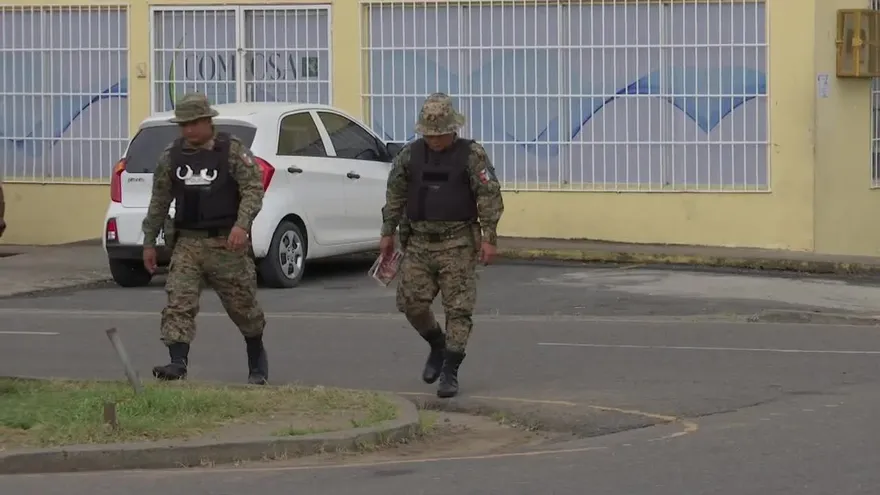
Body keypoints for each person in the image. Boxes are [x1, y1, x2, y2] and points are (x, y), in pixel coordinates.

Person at [379, 92, 505, 398]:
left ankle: (450, 370)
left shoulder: (472, 155)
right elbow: (395, 193)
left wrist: (489, 238)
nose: (434, 141)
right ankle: (437, 343)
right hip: (419, 242)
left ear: (453, 130)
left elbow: (488, 196)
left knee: (458, 310)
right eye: (429, 135)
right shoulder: (409, 156)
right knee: (411, 302)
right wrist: (387, 231)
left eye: (440, 135)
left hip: (458, 241)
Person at [141, 92, 269, 385]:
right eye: (183, 125)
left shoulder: (231, 150)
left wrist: (242, 225)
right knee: (178, 301)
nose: (188, 130)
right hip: (187, 242)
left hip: (226, 242)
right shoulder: (171, 156)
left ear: (208, 120)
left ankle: (256, 355)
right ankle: (177, 362)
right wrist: (150, 241)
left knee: (243, 307)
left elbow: (253, 188)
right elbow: (159, 200)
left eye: (193, 123)